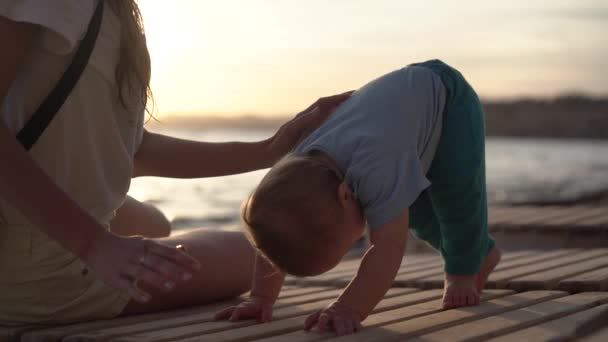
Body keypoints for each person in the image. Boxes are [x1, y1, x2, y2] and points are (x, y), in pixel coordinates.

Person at [0, 0, 351, 324]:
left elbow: (130, 152)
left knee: (156, 222)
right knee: (252, 254)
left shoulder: (110, 12)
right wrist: (94, 244)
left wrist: (269, 149)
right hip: (35, 273)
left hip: (33, 226)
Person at [214, 60, 503, 336]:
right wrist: (261, 298)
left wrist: (348, 308)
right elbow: (274, 234)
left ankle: (464, 270)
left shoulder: (375, 166)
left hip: (448, 100)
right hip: (401, 125)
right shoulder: (294, 169)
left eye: (350, 242)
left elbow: (387, 248)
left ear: (345, 195)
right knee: (413, 215)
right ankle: (482, 251)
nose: (361, 234)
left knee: (455, 200)